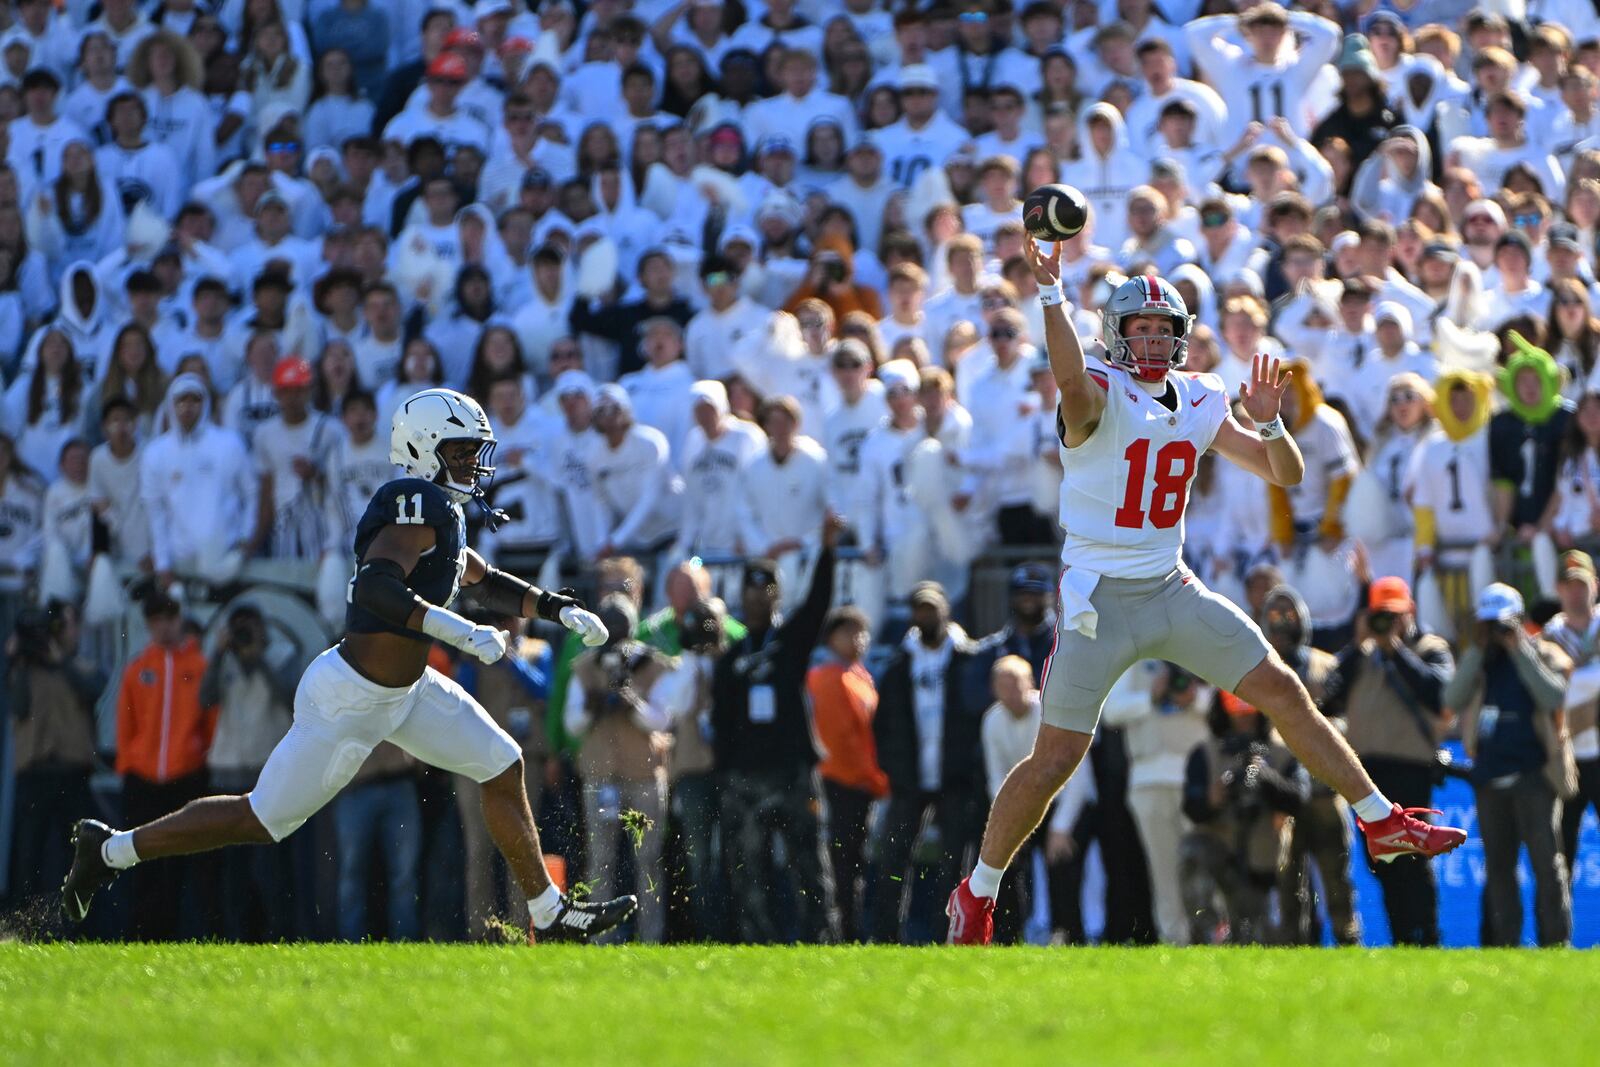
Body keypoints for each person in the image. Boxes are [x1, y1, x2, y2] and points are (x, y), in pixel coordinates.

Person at [947, 243, 1466, 946]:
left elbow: (1281, 472)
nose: (1156, 340)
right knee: (1056, 758)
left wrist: (1270, 419)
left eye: (1165, 329)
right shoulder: (1094, 388)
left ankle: (1379, 819)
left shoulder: (1200, 393)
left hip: (1168, 584)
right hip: (1100, 597)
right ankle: (976, 893)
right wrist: (1050, 297)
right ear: (1117, 335)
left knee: (1283, 688)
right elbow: (1069, 375)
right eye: (1143, 330)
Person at [61, 388, 636, 944]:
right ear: (423, 449)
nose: (472, 463)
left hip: (405, 693)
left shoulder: (444, 515)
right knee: (261, 819)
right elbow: (375, 590)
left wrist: (557, 607)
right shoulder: (415, 503)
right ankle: (110, 849)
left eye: (472, 451)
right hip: (349, 699)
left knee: (502, 763)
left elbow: (481, 581)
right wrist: (455, 630)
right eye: (460, 451)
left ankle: (549, 912)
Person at [713, 516, 842, 944]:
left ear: (776, 596)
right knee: (746, 867)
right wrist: (727, 774)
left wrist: (827, 551)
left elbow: (819, 604)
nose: (756, 598)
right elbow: (721, 720)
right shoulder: (731, 659)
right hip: (746, 778)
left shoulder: (790, 643)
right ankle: (756, 941)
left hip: (792, 773)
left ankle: (821, 939)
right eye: (750, 589)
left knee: (810, 863)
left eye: (766, 589)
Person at [1318, 576, 1455, 945]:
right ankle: (1402, 939)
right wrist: (1360, 644)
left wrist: (1395, 649)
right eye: (1383, 615)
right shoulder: (1360, 656)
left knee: (1413, 856)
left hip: (1411, 768)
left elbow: (1439, 692)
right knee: (1382, 860)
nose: (1389, 623)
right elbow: (1327, 698)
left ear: (1410, 612)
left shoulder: (1429, 648)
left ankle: (1425, 937)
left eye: (1395, 615)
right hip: (1367, 772)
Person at [1446, 584, 1576, 947]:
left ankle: (1556, 944)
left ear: (1520, 621)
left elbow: (1552, 695)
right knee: (1499, 871)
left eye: (1502, 622)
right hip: (1490, 779)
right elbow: (1451, 697)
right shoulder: (1480, 659)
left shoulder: (1545, 653)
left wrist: (1519, 649)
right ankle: (1506, 947)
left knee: (1547, 866)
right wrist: (1477, 646)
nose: (1497, 630)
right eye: (1489, 623)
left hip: (1535, 776)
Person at [872, 581, 983, 943]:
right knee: (893, 860)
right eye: (919, 609)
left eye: (931, 608)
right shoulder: (898, 667)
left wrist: (969, 769)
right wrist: (894, 770)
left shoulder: (969, 660)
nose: (925, 616)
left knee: (953, 864)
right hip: (910, 780)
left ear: (946, 610)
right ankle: (888, 935)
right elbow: (883, 725)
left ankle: (946, 935)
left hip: (955, 778)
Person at [1259, 583, 1358, 946]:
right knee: (1288, 882)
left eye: (1289, 615)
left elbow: (1346, 720)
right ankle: (1293, 949)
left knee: (1337, 879)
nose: (1282, 624)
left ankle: (1348, 942)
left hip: (1324, 791)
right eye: (1274, 616)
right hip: (1284, 794)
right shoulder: (1258, 668)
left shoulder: (1325, 664)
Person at [112, 591, 214, 940]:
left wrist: (200, 757)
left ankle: (181, 934)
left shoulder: (198, 666)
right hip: (144, 779)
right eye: (156, 620)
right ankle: (142, 934)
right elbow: (125, 723)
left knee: (184, 865)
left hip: (185, 777)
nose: (162, 626)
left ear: (178, 620)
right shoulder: (139, 670)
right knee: (143, 861)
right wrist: (129, 764)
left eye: (167, 618)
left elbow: (210, 719)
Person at [806, 607, 885, 942]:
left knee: (852, 861)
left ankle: (849, 928)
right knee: (840, 861)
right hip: (839, 781)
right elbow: (843, 740)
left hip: (859, 783)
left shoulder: (859, 675)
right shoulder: (828, 677)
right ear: (832, 637)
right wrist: (876, 778)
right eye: (849, 632)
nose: (858, 639)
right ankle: (838, 930)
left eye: (862, 632)